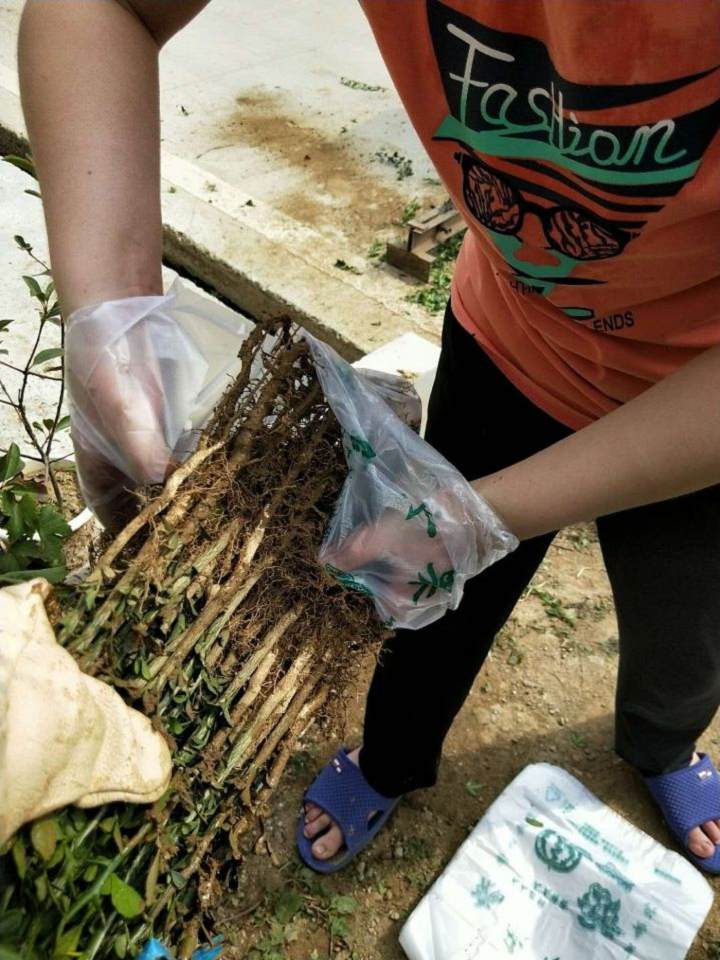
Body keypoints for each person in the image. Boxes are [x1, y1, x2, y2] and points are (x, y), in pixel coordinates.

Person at [17, 0, 720, 876]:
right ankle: (389, 759)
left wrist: (482, 515)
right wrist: (110, 320)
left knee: (690, 618)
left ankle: (662, 744)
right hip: (512, 340)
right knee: (428, 617)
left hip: (698, 413)